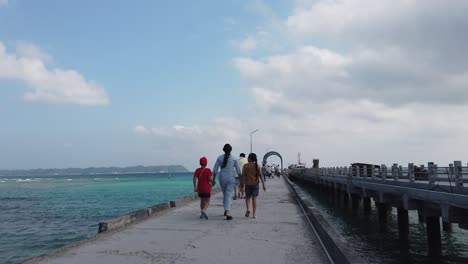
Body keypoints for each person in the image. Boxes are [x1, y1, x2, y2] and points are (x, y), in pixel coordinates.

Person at [213, 143, 241, 220]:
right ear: (231, 150)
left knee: (225, 194)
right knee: (228, 194)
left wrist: (213, 179)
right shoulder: (234, 159)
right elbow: (238, 171)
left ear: (223, 150)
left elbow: (215, 170)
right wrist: (241, 180)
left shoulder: (219, 158)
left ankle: (226, 210)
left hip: (222, 178)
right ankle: (227, 211)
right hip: (231, 178)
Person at [241, 153, 266, 219]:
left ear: (249, 158)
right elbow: (261, 176)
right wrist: (263, 184)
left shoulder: (245, 166)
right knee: (254, 199)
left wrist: (241, 184)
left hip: (247, 184)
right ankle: (254, 214)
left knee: (247, 197)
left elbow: (242, 175)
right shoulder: (258, 166)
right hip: (255, 185)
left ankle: (248, 209)